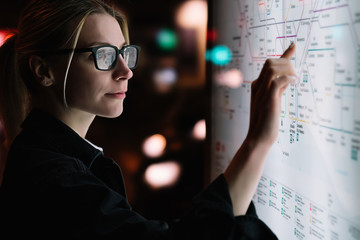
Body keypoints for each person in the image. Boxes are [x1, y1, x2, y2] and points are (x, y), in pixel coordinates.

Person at [0, 0, 296, 239]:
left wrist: (258, 141)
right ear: (43, 71)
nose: (125, 71)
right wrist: (258, 139)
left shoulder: (45, 158)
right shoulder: (55, 179)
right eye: (103, 54)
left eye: (124, 54)